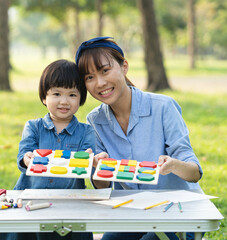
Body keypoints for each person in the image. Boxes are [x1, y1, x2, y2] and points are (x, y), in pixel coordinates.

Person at [75, 37, 204, 240]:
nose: (99, 83)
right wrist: (98, 166)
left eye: (105, 71)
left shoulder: (163, 107)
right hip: (133, 214)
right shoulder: (95, 120)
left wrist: (173, 165)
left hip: (179, 213)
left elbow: (194, 173)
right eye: (89, 77)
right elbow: (102, 187)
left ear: (124, 66)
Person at [0, 59, 95, 240]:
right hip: (30, 199)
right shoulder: (33, 127)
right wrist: (27, 158)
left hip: (70, 202)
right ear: (44, 97)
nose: (64, 101)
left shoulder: (86, 131)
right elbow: (24, 154)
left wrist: (89, 160)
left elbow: (90, 165)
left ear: (81, 97)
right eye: (56, 94)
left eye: (72, 95)